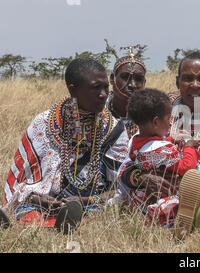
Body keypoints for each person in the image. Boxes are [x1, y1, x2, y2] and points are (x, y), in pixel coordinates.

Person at [115, 52, 200, 238]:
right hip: (151, 191)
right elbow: (127, 163)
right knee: (128, 198)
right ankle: (188, 219)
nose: (195, 85)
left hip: (199, 190)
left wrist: (169, 180)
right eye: (188, 79)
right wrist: (142, 177)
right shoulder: (157, 107)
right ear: (178, 82)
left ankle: (188, 217)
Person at [2, 58, 129, 234]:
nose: (104, 94)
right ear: (73, 90)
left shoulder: (113, 129)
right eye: (95, 88)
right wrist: (41, 199)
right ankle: (45, 225)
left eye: (105, 87)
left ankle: (61, 225)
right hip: (46, 203)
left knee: (97, 215)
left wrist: (84, 201)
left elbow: (119, 187)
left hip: (90, 203)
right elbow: (25, 180)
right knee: (26, 209)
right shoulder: (44, 123)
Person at [107, 46, 147, 138]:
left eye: (138, 79)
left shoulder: (153, 114)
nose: (132, 85)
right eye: (125, 77)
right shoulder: (99, 111)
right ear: (113, 79)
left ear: (144, 83)